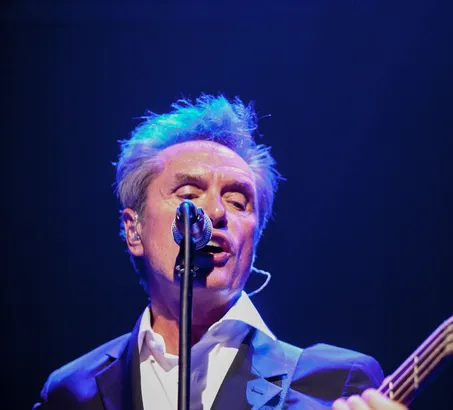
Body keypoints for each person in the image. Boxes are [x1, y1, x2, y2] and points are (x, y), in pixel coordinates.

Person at [33, 94, 409, 410]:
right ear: (135, 230)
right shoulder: (73, 392)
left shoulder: (334, 384)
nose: (215, 212)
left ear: (255, 239)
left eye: (237, 201)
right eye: (188, 194)